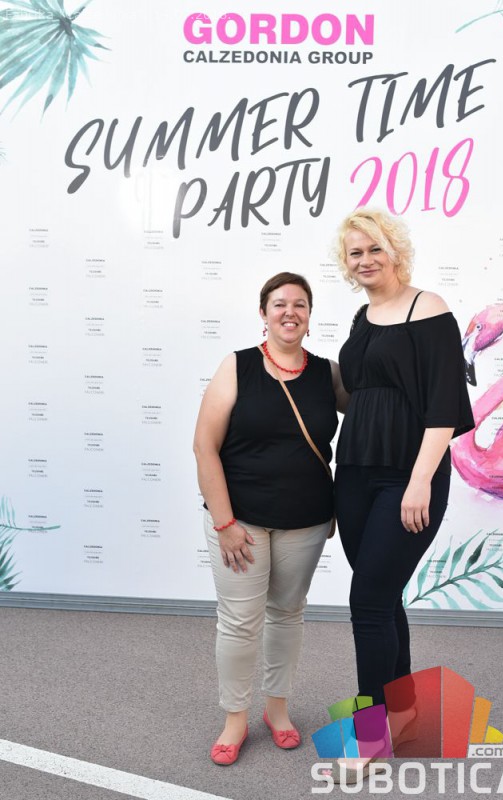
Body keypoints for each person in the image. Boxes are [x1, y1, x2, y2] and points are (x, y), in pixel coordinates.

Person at [331, 208, 474, 780]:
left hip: (408, 477)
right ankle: (405, 711)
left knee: (367, 602)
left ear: (395, 251)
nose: (365, 260)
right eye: (355, 253)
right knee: (384, 596)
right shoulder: (362, 317)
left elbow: (444, 405)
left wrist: (419, 481)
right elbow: (359, 395)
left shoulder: (428, 309)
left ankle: (369, 740)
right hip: (355, 473)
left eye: (374, 249)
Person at [193, 271, 348, 766]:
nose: (289, 312)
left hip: (306, 520)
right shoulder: (237, 366)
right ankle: (235, 718)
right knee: (240, 622)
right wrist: (224, 524)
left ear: (310, 315)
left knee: (287, 614)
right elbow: (204, 446)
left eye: (299, 304)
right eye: (279, 304)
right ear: (264, 313)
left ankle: (277, 710)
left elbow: (375, 409)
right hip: (240, 523)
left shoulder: (328, 374)